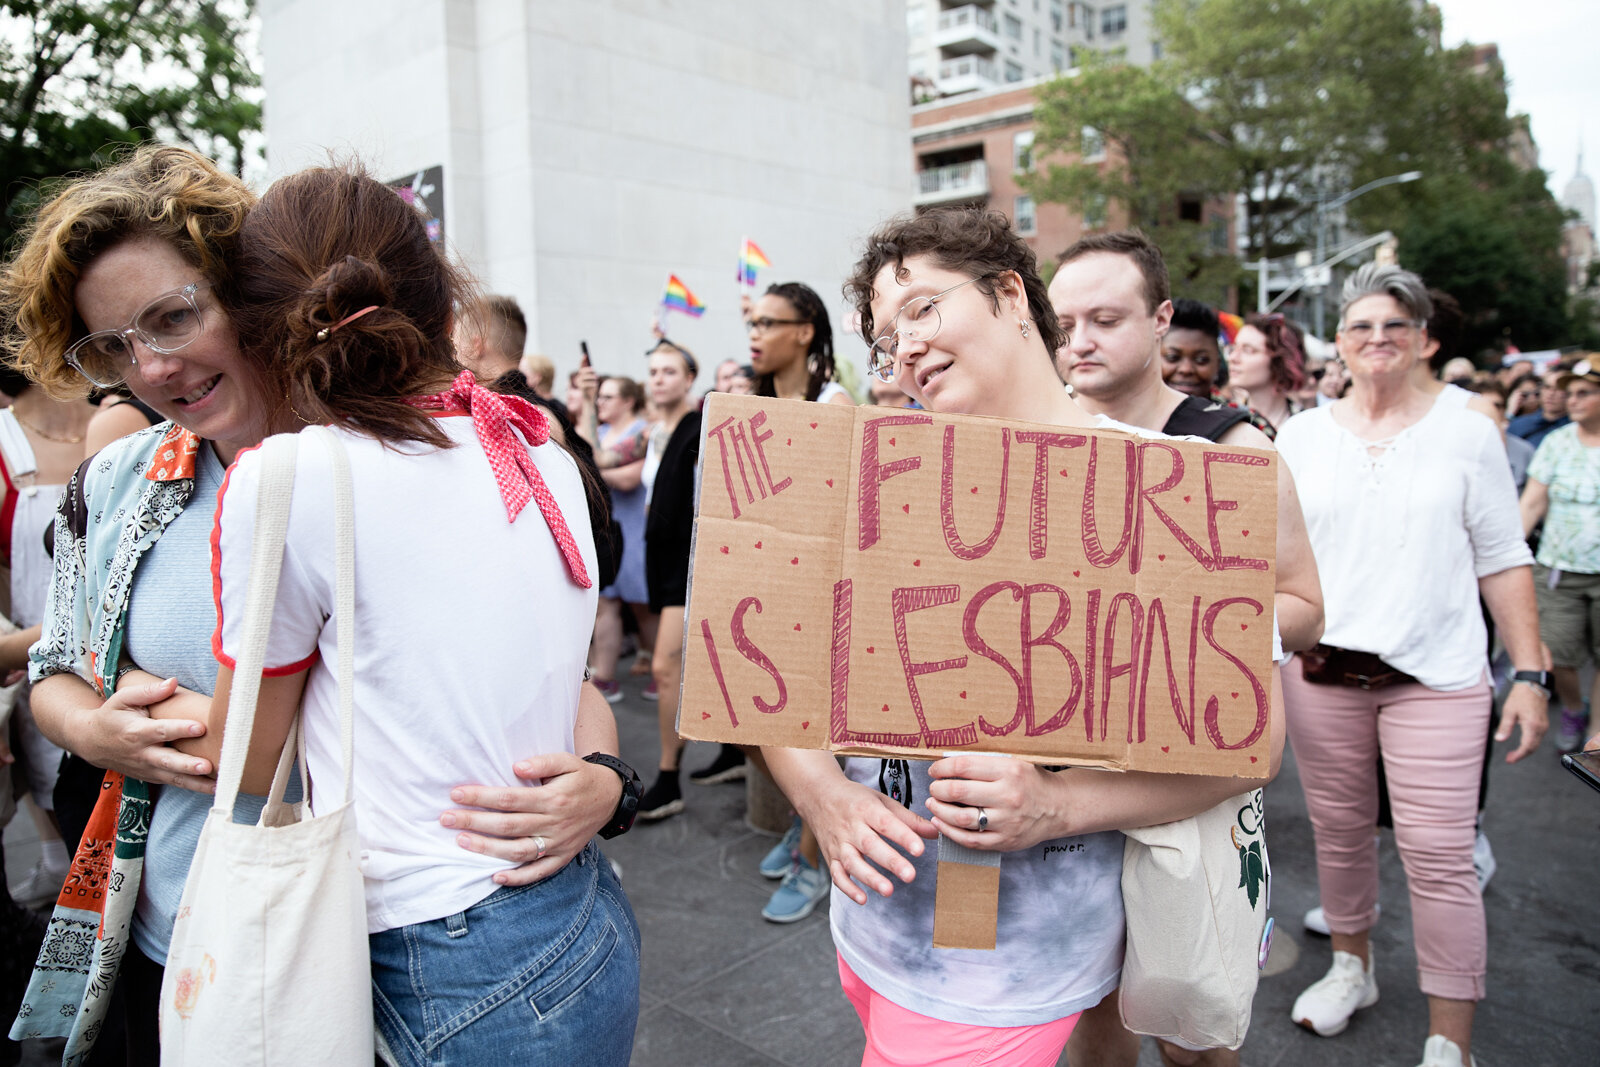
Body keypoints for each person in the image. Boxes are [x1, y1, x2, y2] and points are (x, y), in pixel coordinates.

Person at [3, 146, 620, 1063]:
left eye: (174, 317)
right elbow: (60, 662)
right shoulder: (121, 482)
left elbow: (546, 673)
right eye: (113, 348)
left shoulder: (376, 457)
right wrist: (92, 731)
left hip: (404, 938)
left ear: (253, 292)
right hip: (205, 926)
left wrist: (606, 777)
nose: (155, 367)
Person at [761, 208, 1287, 1067]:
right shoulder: (860, 479)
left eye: (923, 309)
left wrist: (1059, 806)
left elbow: (1253, 743)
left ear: (1009, 292)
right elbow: (771, 676)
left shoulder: (1166, 491)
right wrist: (823, 795)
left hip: (1015, 969)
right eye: (887, 338)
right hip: (874, 929)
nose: (906, 349)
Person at [186, 164, 641, 1063]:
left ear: (265, 337)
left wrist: (85, 707)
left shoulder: (291, 480)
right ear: (444, 301)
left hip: (441, 950)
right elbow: (566, 677)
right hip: (582, 913)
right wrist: (612, 778)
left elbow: (241, 758)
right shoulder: (535, 446)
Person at [1049, 230, 1323, 1067]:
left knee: (1191, 1022)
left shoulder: (1233, 446)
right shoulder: (1037, 438)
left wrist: (1185, 619)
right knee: (1089, 1000)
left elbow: (1306, 608)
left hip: (1188, 767)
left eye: (1105, 317)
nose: (1080, 340)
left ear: (1161, 318)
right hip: (1068, 762)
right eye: (1062, 322)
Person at [1274, 263, 1547, 1067]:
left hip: (1436, 677)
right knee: (1340, 835)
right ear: (1341, 344)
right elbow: (1274, 559)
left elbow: (1502, 555)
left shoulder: (1468, 427)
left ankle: (1447, 1039)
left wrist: (1529, 673)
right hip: (1323, 673)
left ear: (1426, 339)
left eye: (1396, 325)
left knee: (1440, 856)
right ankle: (1351, 968)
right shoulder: (1302, 434)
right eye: (1360, 325)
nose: (1377, 338)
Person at [634, 339, 701, 822]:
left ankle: (668, 775)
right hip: (660, 557)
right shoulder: (657, 430)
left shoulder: (701, 425)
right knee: (681, 667)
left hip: (688, 559)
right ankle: (734, 756)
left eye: (669, 371)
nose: (658, 379)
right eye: (653, 371)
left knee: (665, 667)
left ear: (689, 379)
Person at [1519, 359, 1600, 752]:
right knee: (1559, 655)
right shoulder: (1557, 442)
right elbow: (1532, 503)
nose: (1572, 400)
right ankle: (1572, 706)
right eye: (1570, 392)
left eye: (1584, 392)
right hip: (1559, 571)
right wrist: (1508, 557)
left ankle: (1595, 736)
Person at [588, 375, 656, 703]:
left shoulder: (643, 430)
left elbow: (630, 478)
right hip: (607, 529)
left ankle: (662, 672)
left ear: (628, 401)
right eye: (600, 396)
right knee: (606, 603)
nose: (601, 402)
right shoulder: (598, 432)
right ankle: (605, 677)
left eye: (609, 396)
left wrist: (588, 470)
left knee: (642, 607)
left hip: (635, 529)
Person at [1228, 313, 1307, 430]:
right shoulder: (1225, 421)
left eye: (1248, 350)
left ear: (1279, 360)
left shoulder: (1306, 425)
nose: (1233, 357)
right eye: (1233, 348)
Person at [1508, 367, 1570, 448]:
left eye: (1559, 389)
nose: (1551, 393)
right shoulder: (1519, 425)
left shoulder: (1578, 428)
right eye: (1547, 387)